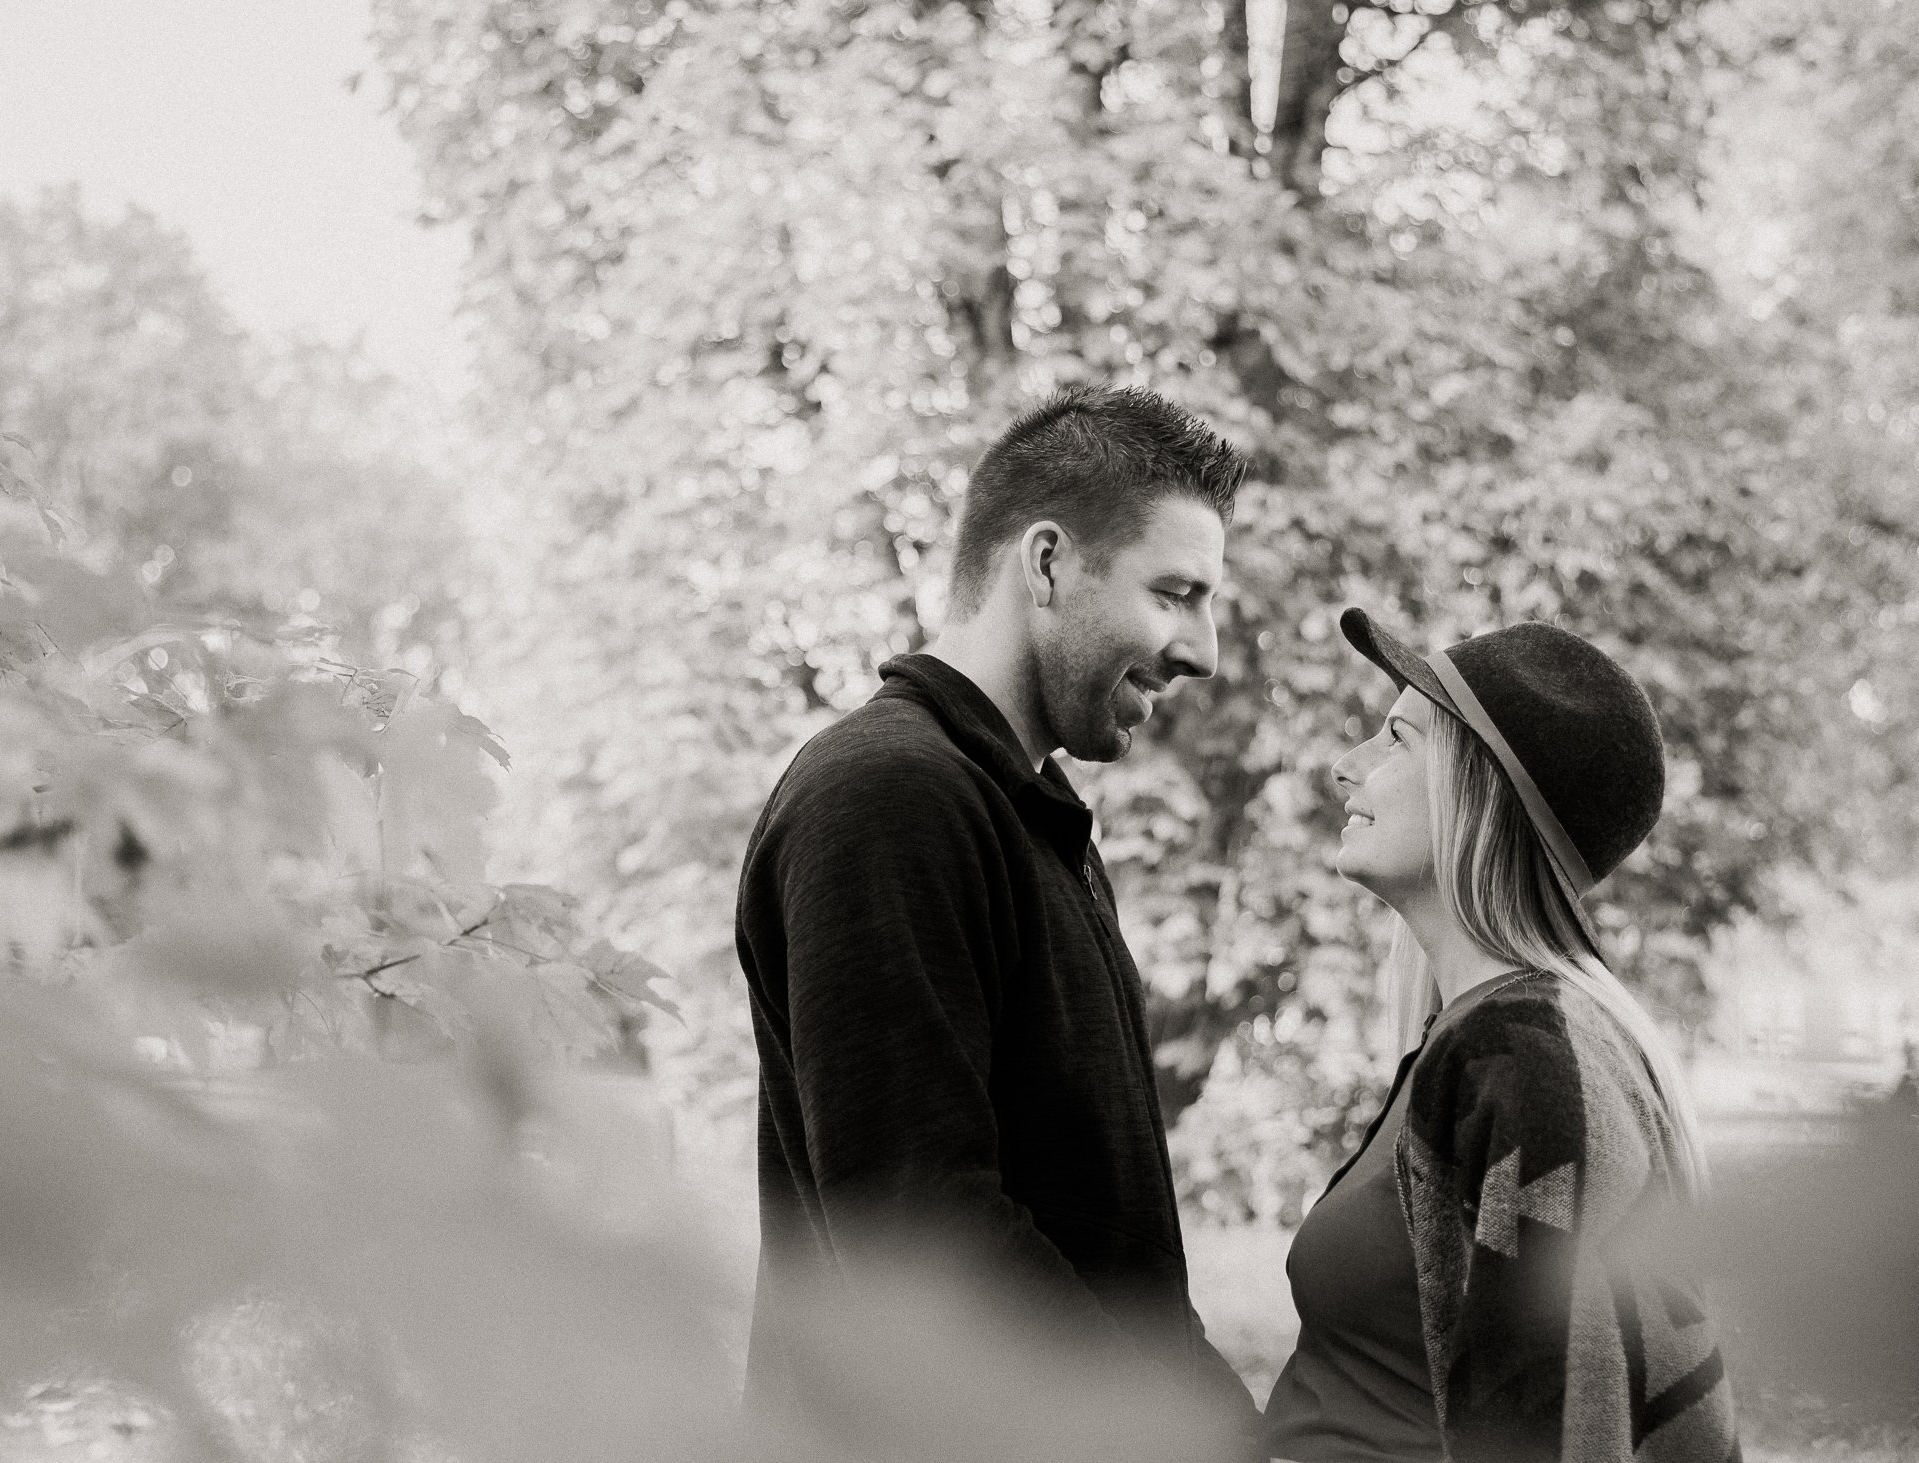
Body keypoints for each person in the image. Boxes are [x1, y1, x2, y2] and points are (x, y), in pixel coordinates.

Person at [734, 384, 1261, 1445]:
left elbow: (1113, 1248)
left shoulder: (1031, 815)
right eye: (1174, 593)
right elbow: (929, 1242)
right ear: (1048, 562)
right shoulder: (886, 798)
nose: (1201, 650)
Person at [1262, 609, 1739, 1463]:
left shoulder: (1529, 1058)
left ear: (1477, 788)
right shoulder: (1481, 1037)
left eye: (1396, 737)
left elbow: (1564, 1427)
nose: (1346, 764)